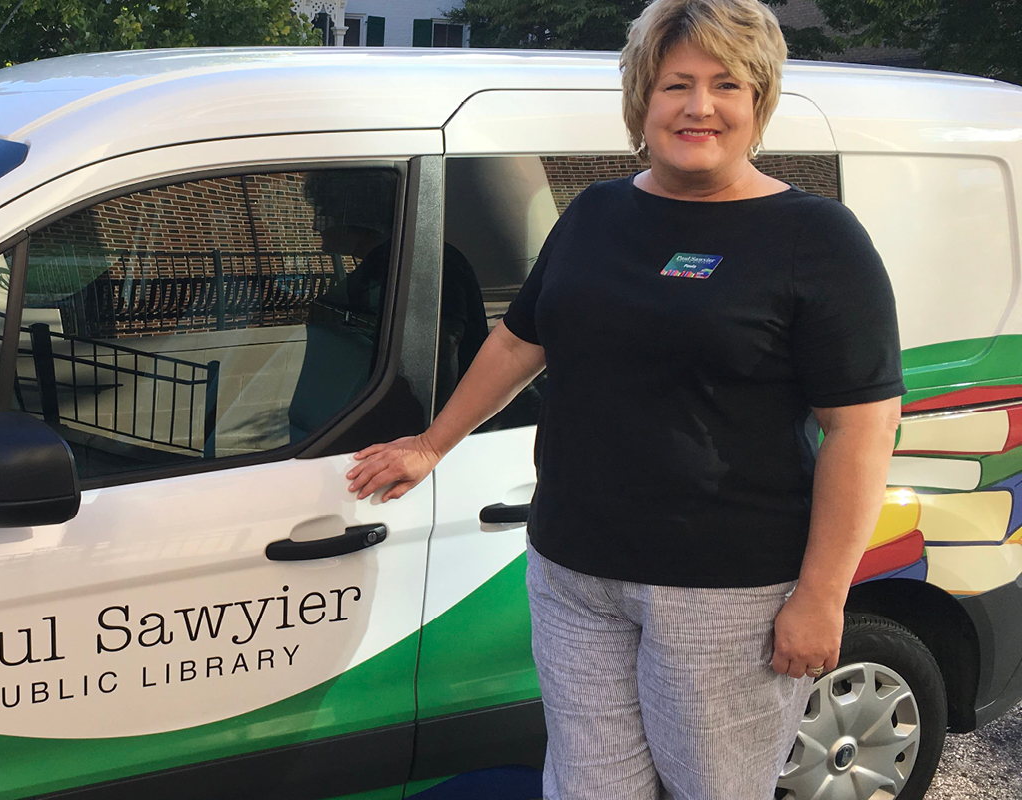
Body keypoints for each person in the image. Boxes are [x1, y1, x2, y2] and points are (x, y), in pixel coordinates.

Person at [342, 1, 904, 797]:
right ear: (644, 99)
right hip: (574, 570)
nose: (698, 107)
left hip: (722, 595)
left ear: (759, 102)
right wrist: (433, 443)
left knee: (711, 788)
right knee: (587, 786)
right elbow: (519, 339)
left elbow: (861, 428)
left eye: (726, 85)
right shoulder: (599, 212)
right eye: (677, 83)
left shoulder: (817, 239)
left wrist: (820, 596)